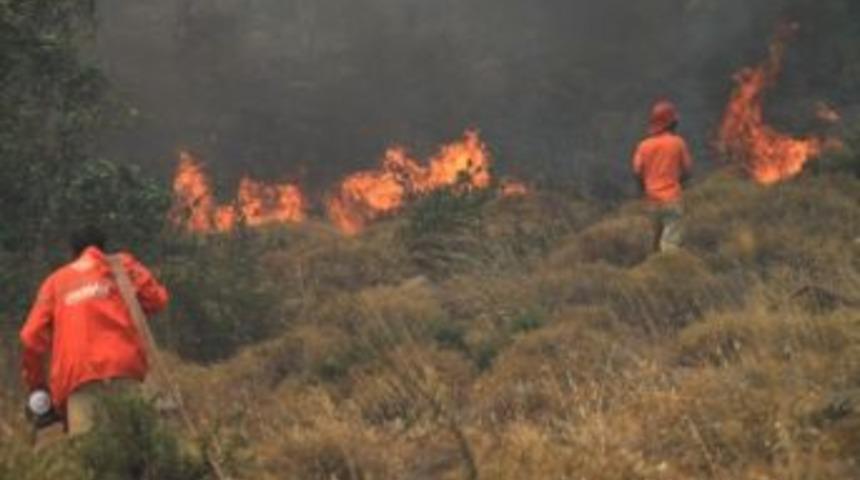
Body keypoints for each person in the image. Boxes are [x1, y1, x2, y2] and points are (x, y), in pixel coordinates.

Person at [20, 225, 169, 436]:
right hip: (124, 371)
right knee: (135, 454)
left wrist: (37, 386)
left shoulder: (54, 283)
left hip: (78, 381)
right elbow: (157, 301)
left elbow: (30, 337)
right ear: (103, 246)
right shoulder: (122, 266)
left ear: (72, 252)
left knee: (91, 459)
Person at [632, 100, 694, 253]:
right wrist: (680, 183)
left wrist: (645, 189)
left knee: (652, 244)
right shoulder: (677, 143)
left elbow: (637, 171)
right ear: (672, 123)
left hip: (651, 201)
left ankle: (651, 272)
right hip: (672, 199)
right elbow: (688, 170)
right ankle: (669, 272)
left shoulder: (643, 146)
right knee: (670, 244)